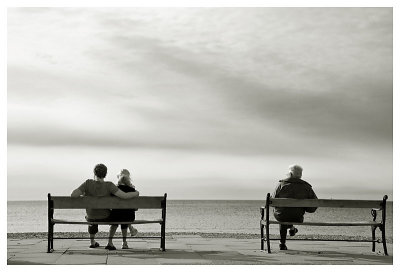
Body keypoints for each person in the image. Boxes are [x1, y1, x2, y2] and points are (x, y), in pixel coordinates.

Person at [71, 163, 139, 250]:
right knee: (117, 216)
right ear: (106, 174)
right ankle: (110, 242)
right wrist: (136, 193)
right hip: (106, 217)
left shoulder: (87, 183)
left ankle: (92, 242)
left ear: (94, 173)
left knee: (91, 215)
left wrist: (85, 196)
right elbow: (124, 196)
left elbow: (73, 195)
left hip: (91, 217)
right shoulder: (109, 185)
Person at [272, 164, 317, 250]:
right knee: (290, 213)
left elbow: (273, 202)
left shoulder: (281, 184)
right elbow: (314, 205)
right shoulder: (307, 187)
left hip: (281, 216)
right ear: (300, 175)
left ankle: (282, 243)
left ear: (290, 174)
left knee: (283, 215)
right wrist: (305, 208)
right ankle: (292, 228)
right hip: (298, 217)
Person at [108, 169, 139, 249]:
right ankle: (124, 242)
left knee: (115, 221)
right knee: (125, 216)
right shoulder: (132, 190)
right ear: (129, 179)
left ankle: (109, 241)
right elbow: (136, 208)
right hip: (129, 217)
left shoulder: (114, 190)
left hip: (115, 216)